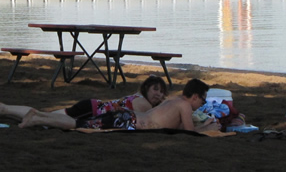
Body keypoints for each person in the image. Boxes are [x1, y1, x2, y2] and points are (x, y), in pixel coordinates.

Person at [18, 79, 220, 133]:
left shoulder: (173, 101)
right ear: (194, 96)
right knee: (77, 124)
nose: (202, 103)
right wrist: (208, 127)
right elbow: (190, 132)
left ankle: (38, 116)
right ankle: (36, 118)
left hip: (126, 116)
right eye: (203, 100)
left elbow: (178, 127)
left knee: (78, 122)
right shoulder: (184, 106)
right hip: (128, 121)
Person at [0, 75, 167, 122]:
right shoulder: (144, 103)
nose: (158, 94)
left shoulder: (137, 95)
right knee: (42, 116)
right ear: (146, 89)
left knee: (43, 116)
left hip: (90, 106)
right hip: (89, 110)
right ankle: (5, 109)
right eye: (155, 89)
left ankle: (6, 110)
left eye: (161, 92)